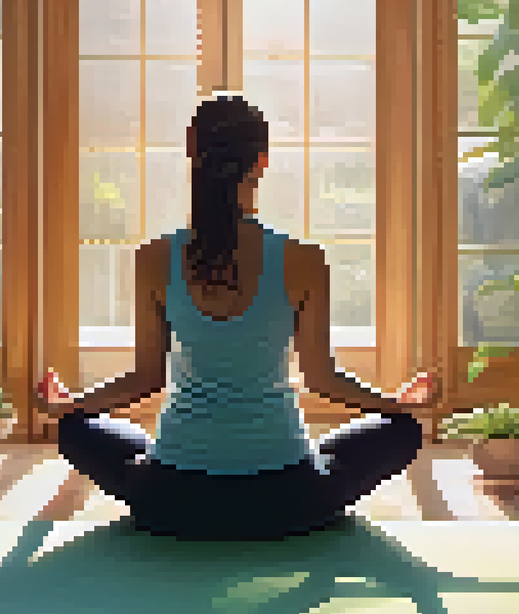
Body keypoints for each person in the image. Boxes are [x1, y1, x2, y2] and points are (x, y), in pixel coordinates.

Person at [35, 92, 437, 540]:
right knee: (402, 431)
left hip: (172, 498)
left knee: (76, 430)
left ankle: (136, 458)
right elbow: (323, 379)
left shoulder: (154, 259)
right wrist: (397, 405)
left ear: (191, 152)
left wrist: (68, 406)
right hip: (288, 498)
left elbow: (146, 379)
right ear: (261, 162)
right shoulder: (302, 260)